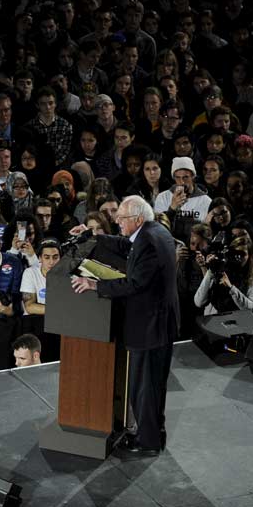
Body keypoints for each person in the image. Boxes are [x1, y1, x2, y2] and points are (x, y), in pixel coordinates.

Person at [70, 195, 180, 455]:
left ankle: (147, 442)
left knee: (145, 387)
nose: (117, 221)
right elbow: (125, 245)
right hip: (159, 322)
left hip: (151, 326)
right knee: (152, 385)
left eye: (122, 218)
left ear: (138, 219)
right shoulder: (152, 232)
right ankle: (153, 434)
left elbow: (135, 284)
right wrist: (92, 236)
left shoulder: (149, 242)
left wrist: (95, 284)